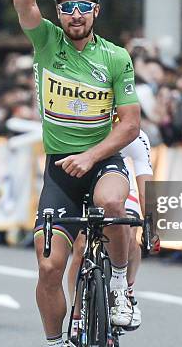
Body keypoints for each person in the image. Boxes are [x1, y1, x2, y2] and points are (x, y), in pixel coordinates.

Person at [13, 0, 140, 346]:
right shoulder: (48, 42)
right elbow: (25, 4)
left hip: (101, 161)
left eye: (84, 6)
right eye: (68, 7)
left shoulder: (116, 57)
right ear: (60, 12)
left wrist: (91, 155)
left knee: (113, 205)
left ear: (95, 10)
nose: (76, 15)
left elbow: (131, 124)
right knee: (49, 268)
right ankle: (54, 340)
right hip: (60, 170)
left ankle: (119, 284)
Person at [68, 128, 152, 335]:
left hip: (121, 183)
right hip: (85, 181)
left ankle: (127, 292)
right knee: (80, 247)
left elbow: (145, 187)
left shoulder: (136, 135)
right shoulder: (85, 127)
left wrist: (152, 224)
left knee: (129, 232)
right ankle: (77, 317)